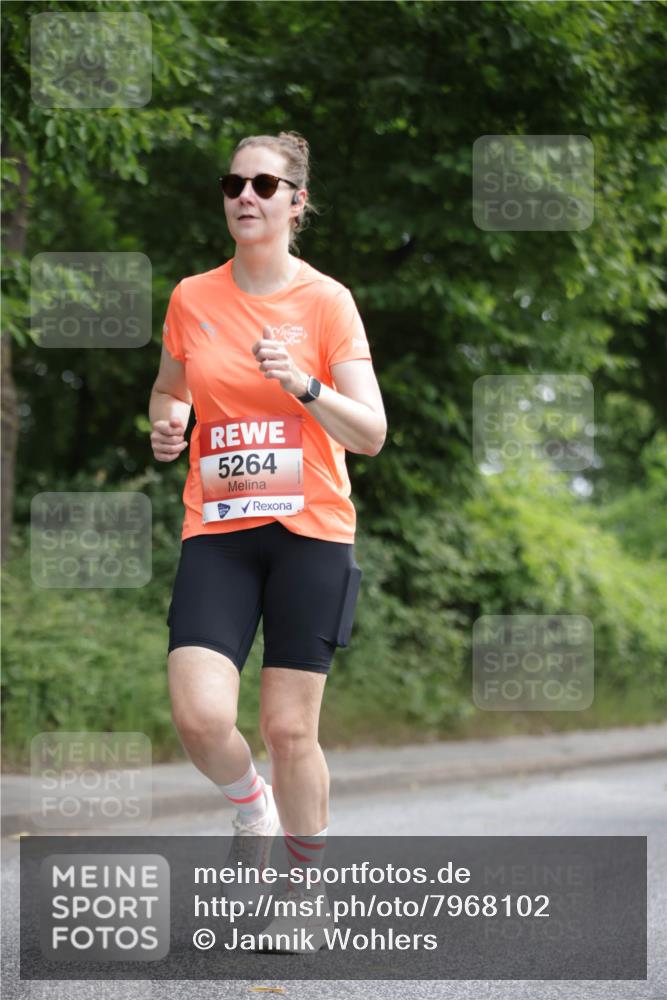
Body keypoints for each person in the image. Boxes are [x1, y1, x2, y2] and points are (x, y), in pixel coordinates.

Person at [149, 130, 387, 948]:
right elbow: (171, 385)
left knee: (291, 730)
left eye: (263, 184)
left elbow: (371, 432)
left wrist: (304, 385)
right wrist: (168, 421)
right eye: (232, 183)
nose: (244, 196)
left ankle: (302, 892)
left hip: (309, 533)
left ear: (296, 202)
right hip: (217, 530)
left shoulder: (326, 301)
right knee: (198, 714)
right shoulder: (191, 296)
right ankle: (249, 807)